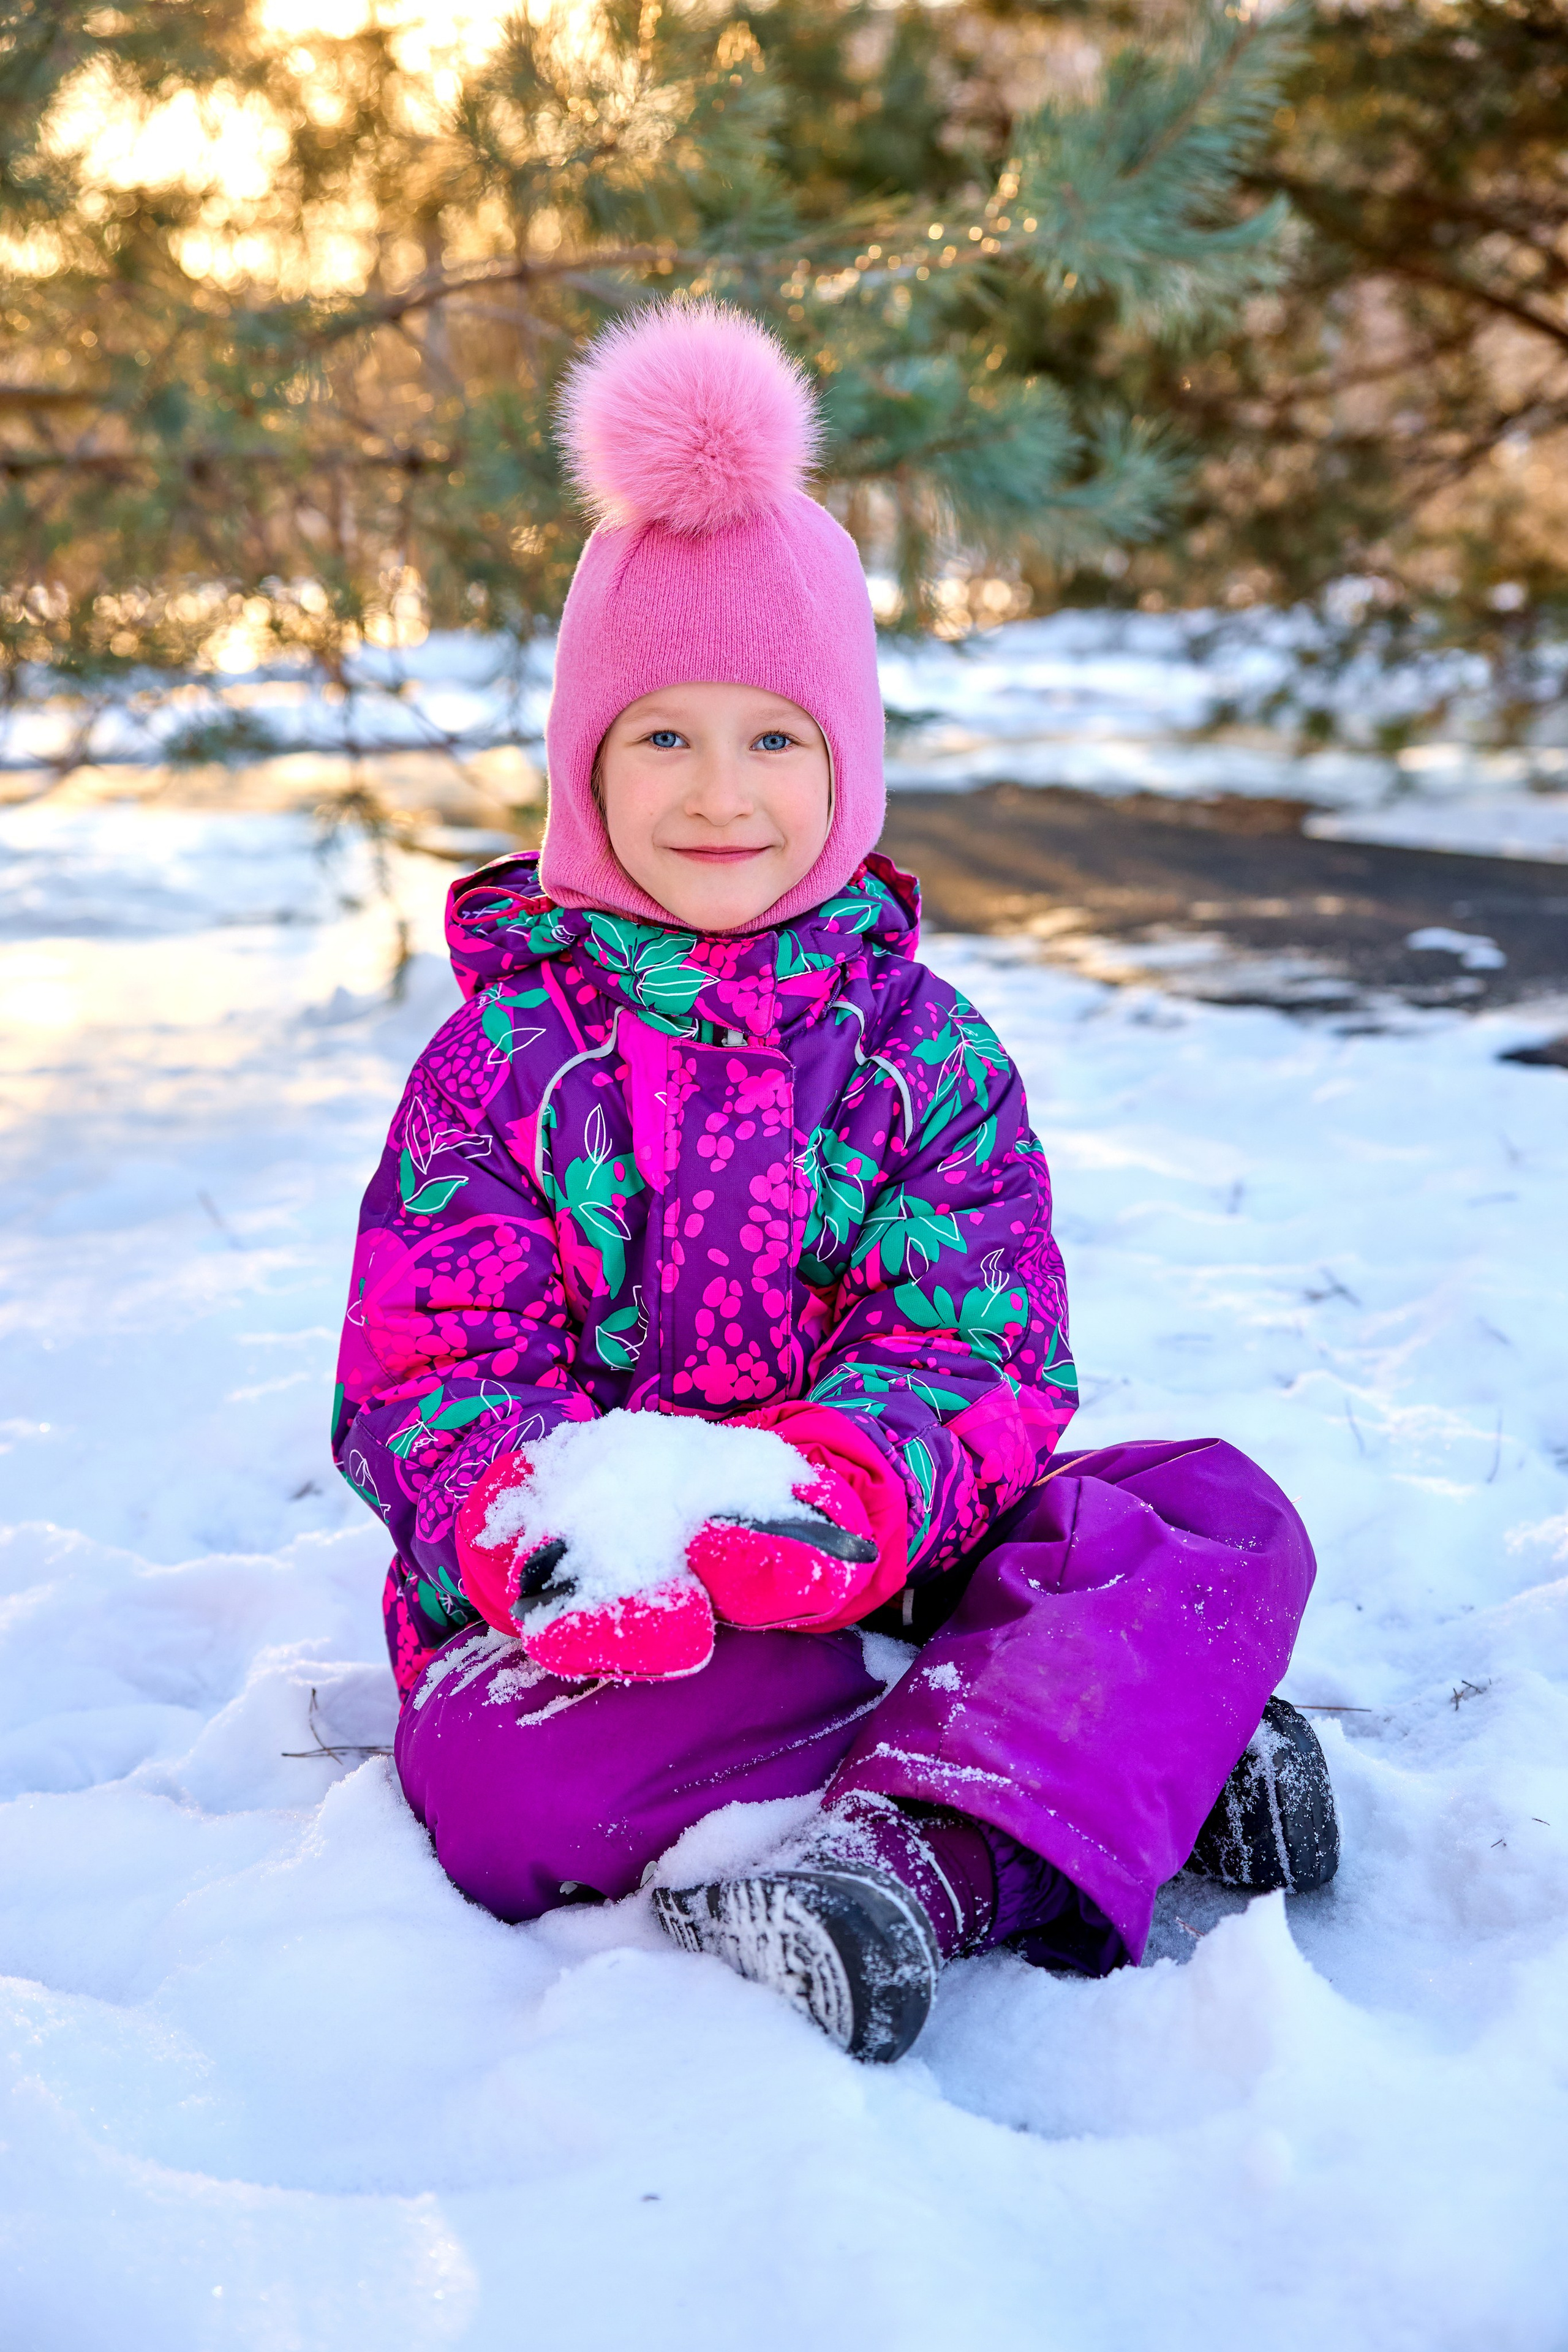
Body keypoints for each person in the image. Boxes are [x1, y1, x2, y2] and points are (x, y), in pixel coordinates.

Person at [332, 303, 1335, 2065]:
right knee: (500, 1790)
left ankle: (933, 1836)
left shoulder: (920, 1055)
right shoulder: (504, 1063)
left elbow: (979, 1349)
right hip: (635, 1633)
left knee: (1200, 1514)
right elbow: (433, 1363)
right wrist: (539, 1529)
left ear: (847, 761)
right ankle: (1095, 1761)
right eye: (661, 740)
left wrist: (853, 1498)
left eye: (775, 741)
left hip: (888, 1555)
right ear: (583, 765)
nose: (720, 794)